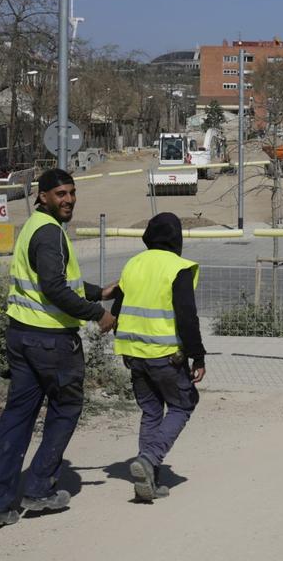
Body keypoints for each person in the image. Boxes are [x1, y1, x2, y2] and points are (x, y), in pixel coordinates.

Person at [0, 168, 117, 528]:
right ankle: (38, 489)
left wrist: (97, 291)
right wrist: (97, 314)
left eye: (72, 193)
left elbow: (54, 282)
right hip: (52, 340)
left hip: (21, 336)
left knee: (17, 417)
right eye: (60, 194)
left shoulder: (32, 228)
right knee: (67, 406)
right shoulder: (50, 233)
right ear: (42, 197)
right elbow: (55, 289)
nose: (68, 199)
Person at [112, 212, 206, 502]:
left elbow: (118, 309)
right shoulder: (178, 267)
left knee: (151, 411)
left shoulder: (133, 264)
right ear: (177, 238)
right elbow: (187, 317)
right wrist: (197, 357)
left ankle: (148, 478)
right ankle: (150, 459)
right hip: (165, 355)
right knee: (183, 403)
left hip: (133, 355)